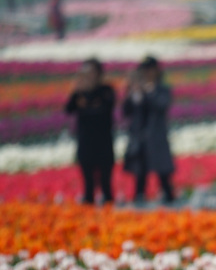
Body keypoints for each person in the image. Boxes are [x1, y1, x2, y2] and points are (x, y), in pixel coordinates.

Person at [123, 56, 175, 205]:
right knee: (140, 175)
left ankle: (169, 200)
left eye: (149, 70)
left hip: (156, 138)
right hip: (140, 139)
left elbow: (162, 105)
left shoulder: (161, 89)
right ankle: (139, 200)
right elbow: (126, 111)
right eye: (144, 70)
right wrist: (134, 93)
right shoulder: (137, 90)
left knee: (163, 175)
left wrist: (149, 92)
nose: (147, 73)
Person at [65, 58, 115, 205]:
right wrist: (78, 91)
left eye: (91, 72)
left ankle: (108, 214)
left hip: (103, 142)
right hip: (86, 141)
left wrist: (87, 106)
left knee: (106, 182)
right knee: (88, 184)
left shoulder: (106, 90)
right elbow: (69, 109)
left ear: (99, 73)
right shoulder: (80, 92)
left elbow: (105, 109)